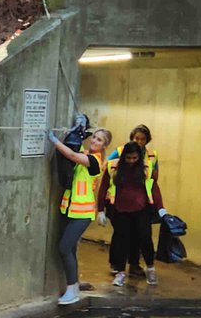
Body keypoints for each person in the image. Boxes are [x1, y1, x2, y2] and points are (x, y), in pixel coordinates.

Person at [48, 127, 112, 306]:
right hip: (71, 209)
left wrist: (54, 141)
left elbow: (72, 156)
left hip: (82, 213)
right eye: (94, 137)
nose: (94, 141)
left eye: (99, 140)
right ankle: (73, 288)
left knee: (64, 248)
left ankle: (71, 290)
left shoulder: (94, 160)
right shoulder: (87, 153)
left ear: (104, 145)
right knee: (70, 250)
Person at [97, 141, 168, 287]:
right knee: (122, 241)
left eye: (134, 158)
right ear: (124, 157)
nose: (131, 161)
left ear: (139, 157)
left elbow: (154, 188)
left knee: (145, 239)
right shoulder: (113, 167)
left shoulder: (146, 169)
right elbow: (103, 187)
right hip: (120, 210)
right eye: (128, 158)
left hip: (141, 210)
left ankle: (150, 268)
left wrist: (161, 208)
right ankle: (121, 272)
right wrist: (100, 210)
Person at [106, 125, 158, 278]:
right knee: (121, 234)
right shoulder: (121, 151)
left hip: (140, 202)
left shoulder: (151, 156)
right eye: (137, 138)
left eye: (143, 139)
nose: (140, 141)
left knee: (139, 234)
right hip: (118, 201)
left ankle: (134, 264)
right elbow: (108, 167)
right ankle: (116, 264)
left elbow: (154, 179)